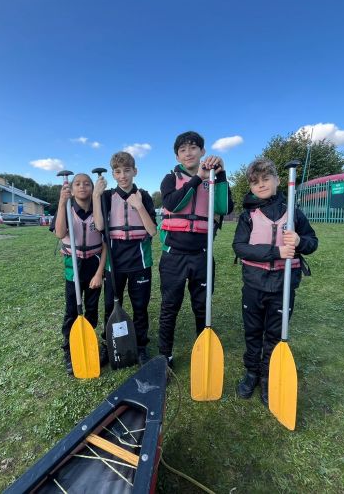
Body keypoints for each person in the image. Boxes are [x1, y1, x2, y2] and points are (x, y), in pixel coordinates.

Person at [232, 157, 318, 405]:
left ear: (278, 180)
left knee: (274, 333)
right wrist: (276, 252)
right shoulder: (248, 216)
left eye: (265, 179)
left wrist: (299, 242)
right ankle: (252, 372)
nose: (261, 185)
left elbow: (312, 242)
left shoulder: (293, 213)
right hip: (254, 284)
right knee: (252, 331)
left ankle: (268, 375)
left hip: (283, 285)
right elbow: (240, 247)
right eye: (255, 182)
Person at [158, 131, 234, 367]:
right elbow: (173, 204)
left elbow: (224, 207)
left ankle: (203, 349)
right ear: (177, 156)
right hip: (173, 256)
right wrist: (198, 178)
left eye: (193, 148)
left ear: (202, 151)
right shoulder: (170, 179)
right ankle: (165, 354)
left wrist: (220, 175)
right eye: (183, 150)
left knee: (202, 306)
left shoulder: (214, 178)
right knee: (170, 306)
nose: (188, 153)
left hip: (201, 256)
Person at [93, 151, 157, 366]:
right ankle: (110, 343)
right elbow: (100, 226)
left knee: (140, 306)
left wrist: (139, 205)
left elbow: (152, 231)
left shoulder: (144, 196)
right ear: (113, 174)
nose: (123, 176)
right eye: (118, 172)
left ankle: (141, 346)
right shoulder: (106, 196)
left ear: (135, 171)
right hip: (115, 260)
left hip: (140, 259)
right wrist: (96, 196)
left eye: (127, 171)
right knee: (111, 305)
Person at [53, 173, 106, 375]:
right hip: (74, 265)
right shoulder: (67, 208)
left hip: (93, 264)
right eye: (77, 184)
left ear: (92, 188)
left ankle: (89, 343)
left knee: (91, 308)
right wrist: (61, 202)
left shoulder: (99, 209)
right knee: (72, 310)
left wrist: (99, 273)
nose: (82, 187)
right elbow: (60, 233)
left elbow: (105, 244)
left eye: (86, 184)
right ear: (72, 189)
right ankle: (69, 349)